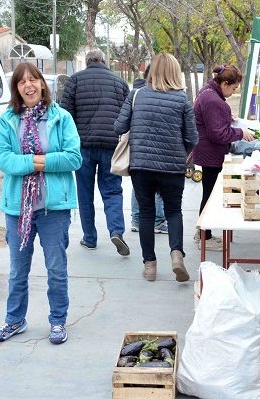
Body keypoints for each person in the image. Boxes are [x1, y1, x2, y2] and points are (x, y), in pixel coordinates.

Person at [0, 63, 82, 344]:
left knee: (56, 268)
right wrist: (37, 161)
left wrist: (35, 164)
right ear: (16, 89)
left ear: (43, 84)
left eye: (34, 79)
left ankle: (57, 321)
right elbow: (2, 158)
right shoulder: (8, 119)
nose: (28, 85)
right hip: (18, 209)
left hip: (54, 208)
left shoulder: (61, 117)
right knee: (18, 270)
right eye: (21, 82)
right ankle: (14, 320)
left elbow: (74, 157)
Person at [114, 53, 198, 282]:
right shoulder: (182, 100)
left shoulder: (137, 95)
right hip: (172, 167)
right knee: (173, 211)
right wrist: (181, 151)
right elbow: (192, 137)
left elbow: (118, 126)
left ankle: (149, 265)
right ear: (175, 72)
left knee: (147, 213)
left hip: (142, 166)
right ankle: (177, 255)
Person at [61, 48, 131, 256]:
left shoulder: (74, 80)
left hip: (82, 147)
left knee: (84, 192)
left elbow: (66, 116)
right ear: (103, 61)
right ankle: (116, 231)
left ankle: (90, 238)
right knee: (112, 190)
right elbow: (127, 116)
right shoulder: (119, 83)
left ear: (87, 62)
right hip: (111, 146)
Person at [192, 64, 254, 251]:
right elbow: (218, 134)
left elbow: (214, 121)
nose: (233, 92)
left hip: (207, 151)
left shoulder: (208, 92)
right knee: (210, 194)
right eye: (234, 88)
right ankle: (205, 235)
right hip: (211, 153)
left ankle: (203, 232)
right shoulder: (213, 100)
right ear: (225, 83)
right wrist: (240, 132)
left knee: (208, 192)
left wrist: (228, 119)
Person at [130, 65, 167, 234]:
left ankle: (137, 219)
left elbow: (121, 123)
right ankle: (158, 221)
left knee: (139, 186)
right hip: (158, 149)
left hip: (137, 149)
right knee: (159, 184)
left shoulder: (135, 94)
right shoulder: (164, 96)